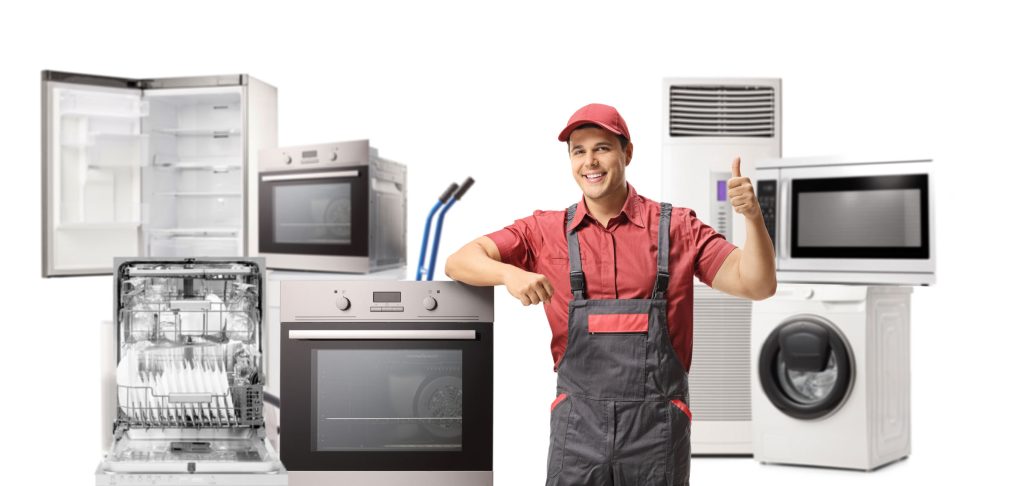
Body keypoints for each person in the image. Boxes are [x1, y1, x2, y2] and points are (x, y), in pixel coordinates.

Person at [445, 103, 776, 486]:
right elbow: (459, 261)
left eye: (602, 147)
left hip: (656, 429)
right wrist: (509, 274)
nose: (590, 161)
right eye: (578, 151)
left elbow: (758, 284)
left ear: (627, 153)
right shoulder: (544, 230)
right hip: (578, 429)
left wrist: (752, 216)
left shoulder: (677, 227)